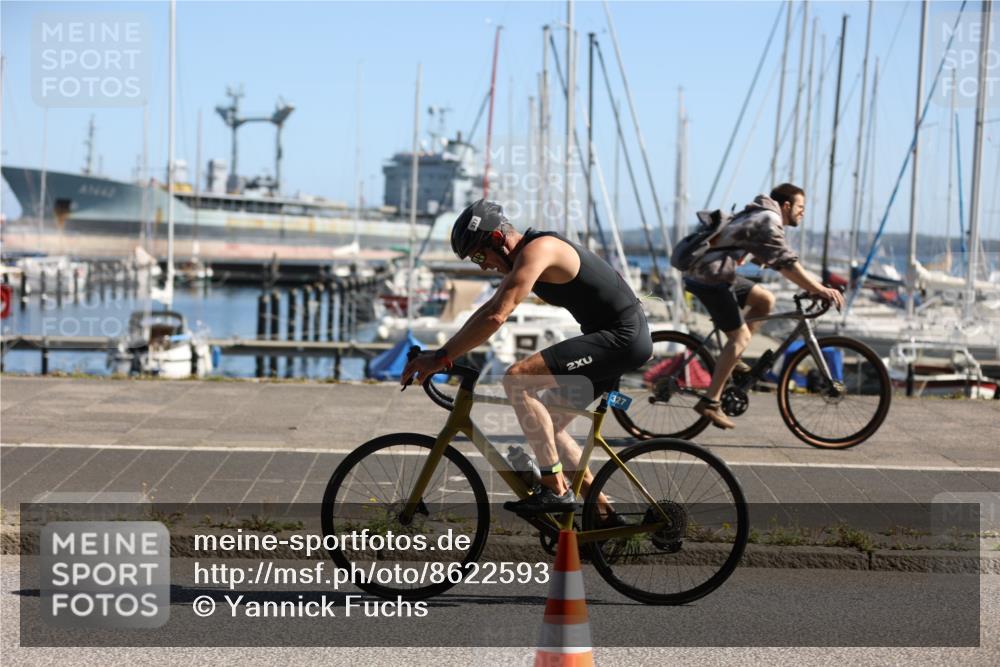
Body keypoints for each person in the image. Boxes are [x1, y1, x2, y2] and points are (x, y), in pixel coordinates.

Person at [401, 199, 652, 515]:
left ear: (497, 239)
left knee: (518, 379)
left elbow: (497, 316)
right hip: (612, 338)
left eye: (480, 255)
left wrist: (440, 358)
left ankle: (555, 488)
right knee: (549, 424)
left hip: (622, 337)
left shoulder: (539, 250)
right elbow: (488, 308)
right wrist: (441, 353)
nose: (482, 265)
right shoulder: (524, 258)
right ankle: (603, 520)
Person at [683, 183, 845, 430]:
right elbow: (785, 263)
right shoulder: (769, 219)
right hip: (709, 277)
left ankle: (732, 360)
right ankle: (710, 402)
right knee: (740, 338)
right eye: (801, 207)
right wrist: (819, 289)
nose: (803, 212)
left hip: (717, 272)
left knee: (765, 300)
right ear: (787, 206)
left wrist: (811, 286)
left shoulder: (761, 215)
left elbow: (774, 259)